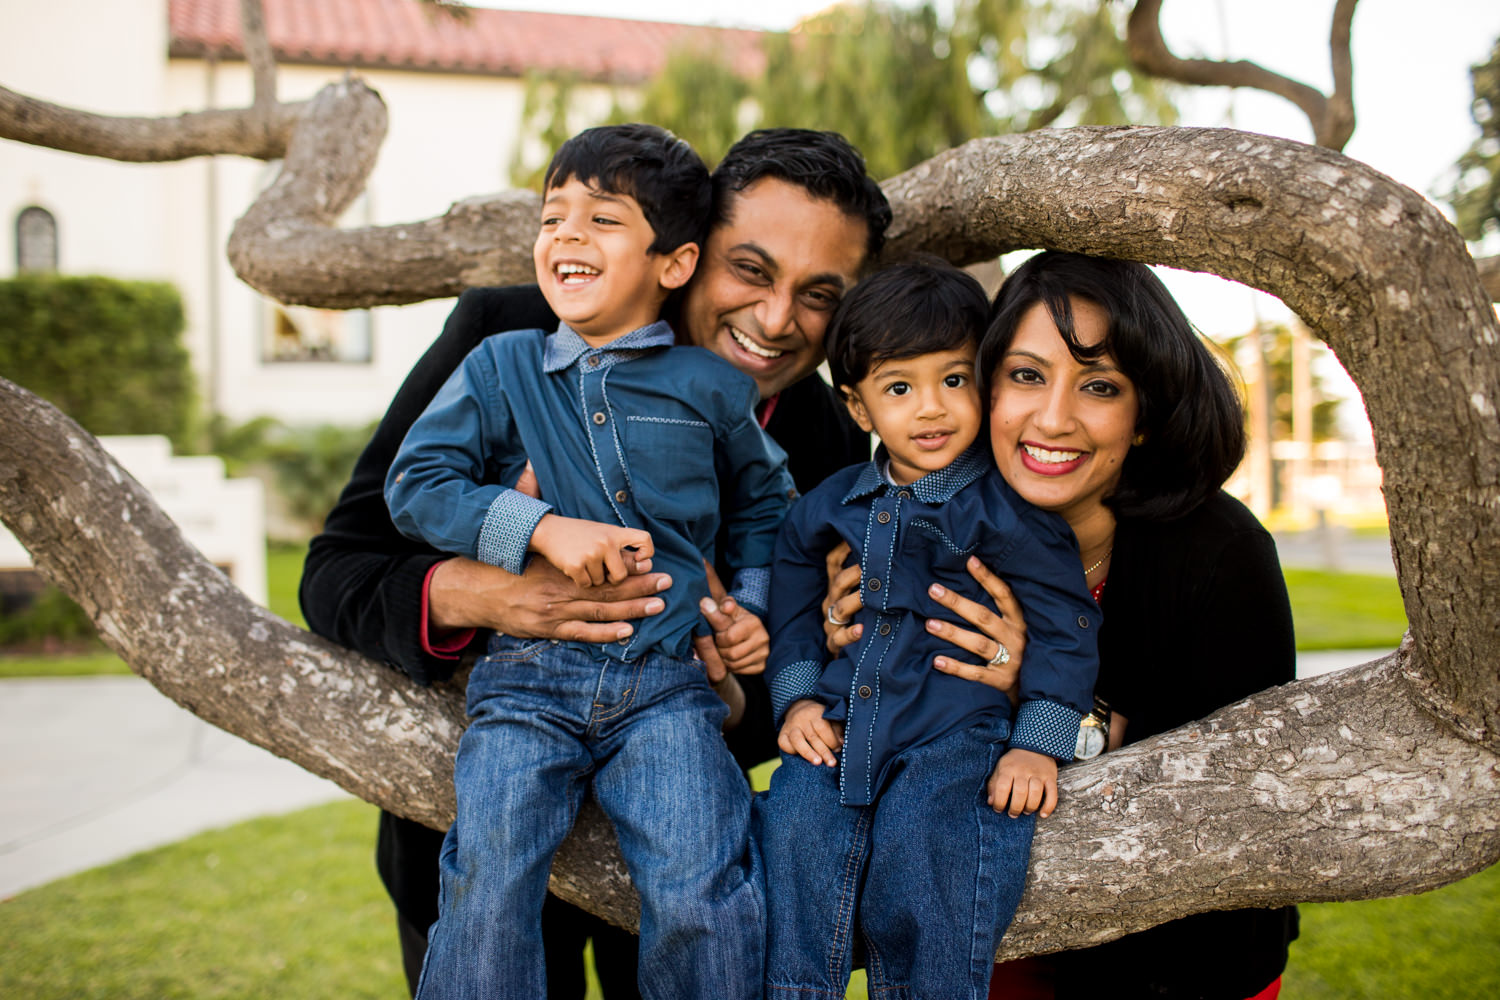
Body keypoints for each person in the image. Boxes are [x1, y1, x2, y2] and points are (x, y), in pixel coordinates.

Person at [298, 127, 891, 997]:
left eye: (818, 295)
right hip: (484, 845)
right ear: (683, 255)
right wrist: (494, 591)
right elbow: (338, 568)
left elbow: (801, 683)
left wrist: (732, 688)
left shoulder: (824, 442)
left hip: (660, 860)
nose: (775, 321)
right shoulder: (508, 339)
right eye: (752, 271)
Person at [384, 123, 797, 998]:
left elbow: (767, 504)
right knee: (488, 882)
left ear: (673, 264)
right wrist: (536, 527)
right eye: (553, 215)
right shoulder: (502, 367)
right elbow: (417, 484)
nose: (566, 235)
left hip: (667, 689)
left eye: (602, 219)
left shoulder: (714, 388)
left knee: (702, 887)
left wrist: (750, 605)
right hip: (525, 687)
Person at [826, 251, 1299, 1000]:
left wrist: (1035, 699)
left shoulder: (1220, 554)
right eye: (1025, 375)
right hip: (986, 947)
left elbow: (1237, 791)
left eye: (1100, 386)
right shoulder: (926, 525)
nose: (1053, 418)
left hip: (1173, 964)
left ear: (1145, 414)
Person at [755, 258, 1100, 997]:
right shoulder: (831, 504)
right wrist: (797, 700)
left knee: (925, 847)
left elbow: (1068, 628)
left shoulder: (1007, 513)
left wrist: (1038, 743)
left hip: (954, 731)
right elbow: (789, 587)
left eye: (954, 379)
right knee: (792, 826)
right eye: (900, 388)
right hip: (847, 722)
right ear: (858, 407)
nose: (933, 409)